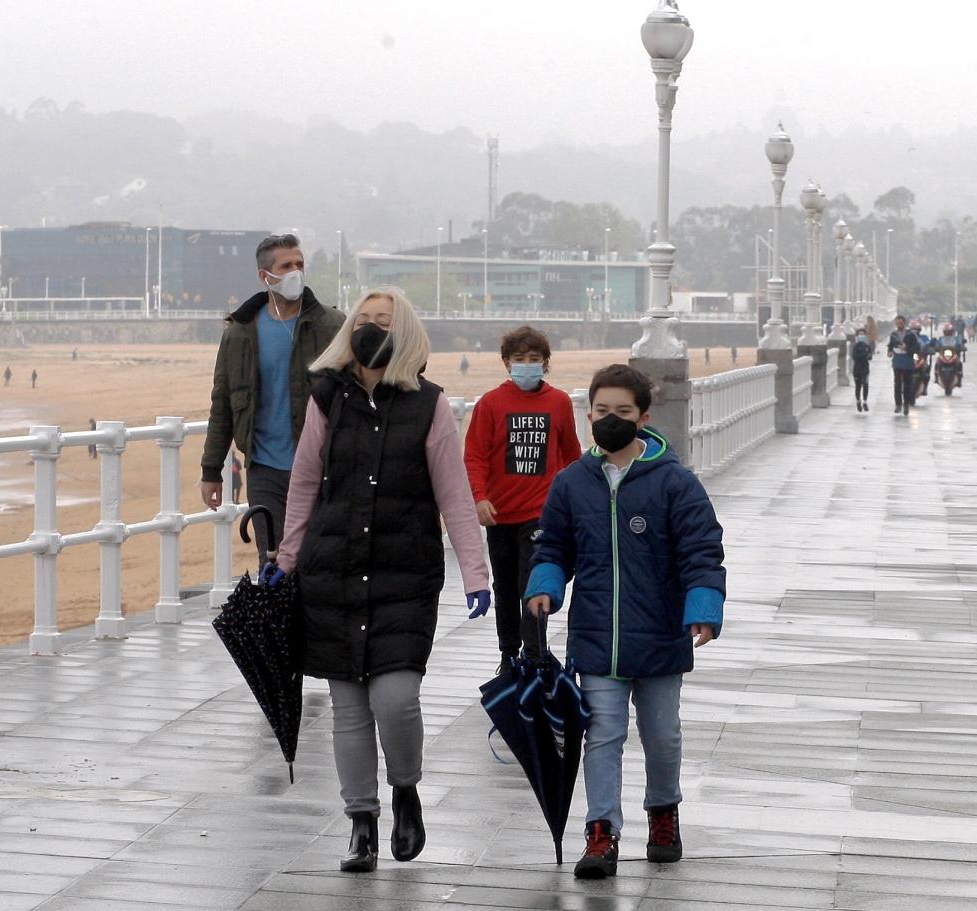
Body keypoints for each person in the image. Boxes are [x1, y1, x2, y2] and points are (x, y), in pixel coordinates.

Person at [274, 286, 491, 874]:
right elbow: (303, 484)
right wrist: (286, 560)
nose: (371, 329)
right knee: (347, 710)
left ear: (406, 334)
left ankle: (405, 789)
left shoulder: (430, 405)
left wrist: (475, 571)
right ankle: (361, 823)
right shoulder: (327, 399)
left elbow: (454, 494)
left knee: (396, 701)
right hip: (333, 573)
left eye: (384, 321)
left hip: (405, 573)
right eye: (364, 320)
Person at [524, 364, 726, 880]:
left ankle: (663, 812)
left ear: (644, 417)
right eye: (601, 411)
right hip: (596, 639)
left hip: (660, 637)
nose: (610, 419)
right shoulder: (572, 483)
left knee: (663, 736)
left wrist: (702, 606)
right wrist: (545, 586)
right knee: (603, 734)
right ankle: (601, 830)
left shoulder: (675, 483)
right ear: (587, 413)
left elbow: (702, 551)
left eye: (623, 412)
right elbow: (553, 546)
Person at [199, 234, 344, 568]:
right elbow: (222, 403)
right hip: (265, 470)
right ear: (265, 276)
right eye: (286, 265)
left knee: (320, 561)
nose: (295, 272)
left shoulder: (332, 326)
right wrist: (211, 471)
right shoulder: (239, 332)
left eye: (299, 264)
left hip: (323, 465)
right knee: (273, 560)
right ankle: (278, 622)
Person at [463, 326, 583, 672]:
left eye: (534, 359)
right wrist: (479, 497)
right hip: (499, 514)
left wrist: (575, 503)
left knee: (533, 583)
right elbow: (475, 456)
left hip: (541, 514)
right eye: (519, 359)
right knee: (504, 587)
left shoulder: (559, 402)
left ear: (545, 363)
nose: (526, 365)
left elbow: (571, 455)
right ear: (506, 363)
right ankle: (507, 653)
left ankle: (534, 654)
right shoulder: (490, 403)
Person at [885, 315, 921, 415]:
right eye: (897, 323)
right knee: (897, 384)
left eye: (901, 323)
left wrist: (907, 348)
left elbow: (917, 349)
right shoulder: (893, 334)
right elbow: (890, 345)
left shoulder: (911, 335)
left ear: (904, 323)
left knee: (907, 385)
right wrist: (890, 351)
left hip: (908, 362)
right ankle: (898, 405)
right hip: (897, 362)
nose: (899, 325)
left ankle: (906, 405)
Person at [849, 325, 874, 412]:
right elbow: (855, 356)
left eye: (863, 334)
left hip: (865, 369)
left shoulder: (867, 346)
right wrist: (865, 355)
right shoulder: (855, 346)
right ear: (857, 336)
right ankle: (858, 401)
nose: (862, 336)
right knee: (858, 386)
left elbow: (870, 357)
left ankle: (865, 402)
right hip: (857, 369)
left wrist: (867, 355)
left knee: (866, 385)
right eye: (860, 334)